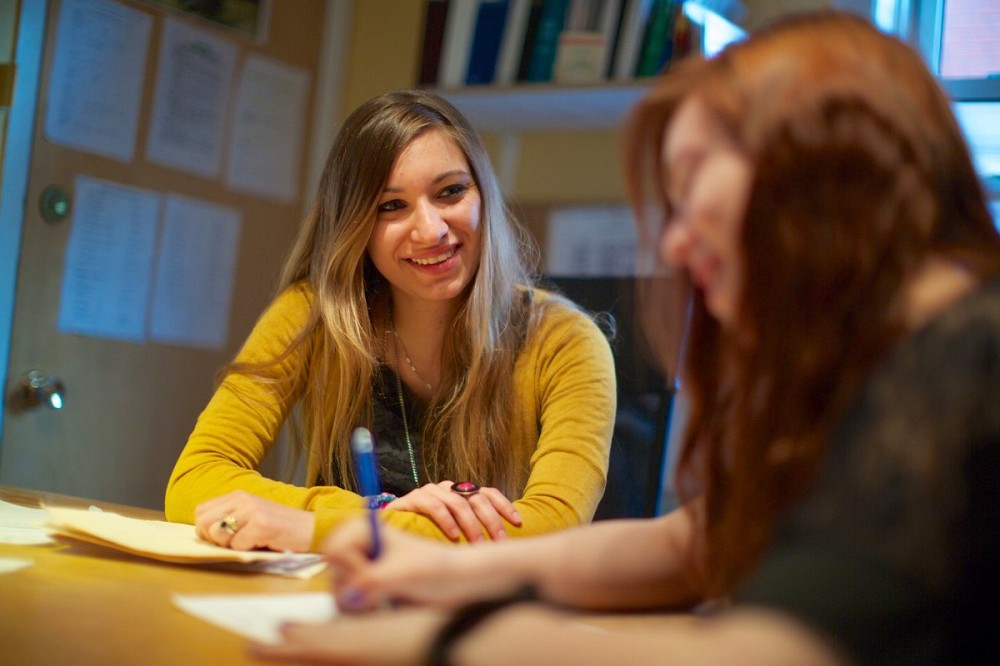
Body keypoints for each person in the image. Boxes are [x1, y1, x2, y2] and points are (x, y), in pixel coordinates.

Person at [250, 11, 1000, 666]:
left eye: (693, 178)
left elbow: (777, 654)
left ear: (819, 160)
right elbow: (686, 546)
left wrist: (447, 642)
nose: (672, 246)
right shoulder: (880, 366)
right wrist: (439, 573)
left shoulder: (970, 358)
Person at [164, 89, 616, 553]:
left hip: (478, 612)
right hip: (334, 599)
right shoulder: (314, 314)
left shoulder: (567, 342)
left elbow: (552, 527)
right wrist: (373, 514)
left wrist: (322, 529)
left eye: (451, 192)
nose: (431, 230)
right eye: (390, 206)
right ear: (353, 225)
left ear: (483, 194)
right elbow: (196, 480)